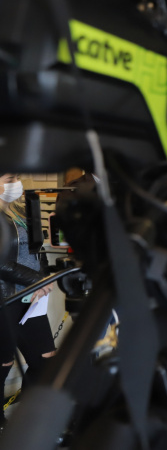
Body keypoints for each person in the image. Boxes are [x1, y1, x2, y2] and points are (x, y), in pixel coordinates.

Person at [0, 173, 56, 431]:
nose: (16, 183)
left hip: (30, 297)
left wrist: (44, 277)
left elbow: (35, 251)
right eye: (10, 178)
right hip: (6, 298)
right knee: (4, 362)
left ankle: (29, 418)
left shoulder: (20, 211)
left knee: (45, 358)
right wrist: (36, 280)